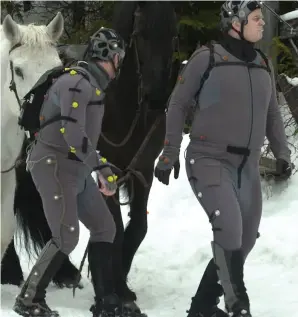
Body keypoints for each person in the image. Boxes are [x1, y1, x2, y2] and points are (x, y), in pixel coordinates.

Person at [154, 1, 293, 317]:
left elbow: (272, 113)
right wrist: (169, 152)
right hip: (209, 158)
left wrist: (282, 153)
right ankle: (237, 307)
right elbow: (176, 105)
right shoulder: (208, 58)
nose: (261, 24)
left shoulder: (262, 62)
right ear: (236, 21)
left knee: (244, 240)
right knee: (229, 229)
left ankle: (202, 307)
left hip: (247, 167)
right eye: (256, 19)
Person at [13, 27, 144, 317]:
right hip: (53, 165)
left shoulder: (92, 85)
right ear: (107, 55)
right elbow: (72, 132)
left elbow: (82, 137)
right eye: (118, 56)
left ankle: (106, 301)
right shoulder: (76, 83)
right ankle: (29, 298)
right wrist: (100, 165)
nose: (120, 63)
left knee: (105, 227)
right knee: (66, 235)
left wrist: (96, 167)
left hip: (77, 168)